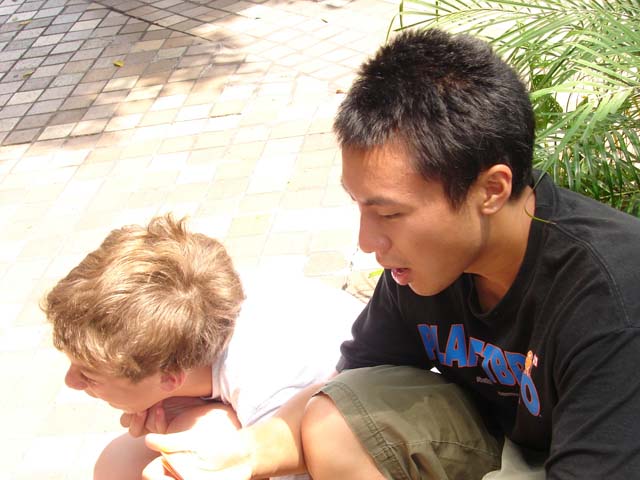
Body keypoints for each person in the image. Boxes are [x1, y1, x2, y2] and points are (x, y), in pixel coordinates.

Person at [145, 28, 640, 480]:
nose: (368, 241)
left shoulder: (611, 298)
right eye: (360, 206)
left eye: (389, 213)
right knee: (333, 421)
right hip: (498, 444)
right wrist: (245, 454)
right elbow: (353, 380)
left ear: (491, 190)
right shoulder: (429, 267)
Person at [43, 214, 362, 480]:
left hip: (346, 443)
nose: (71, 382)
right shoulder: (196, 297)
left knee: (178, 456)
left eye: (89, 375)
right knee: (120, 463)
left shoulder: (269, 391)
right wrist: (182, 405)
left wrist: (184, 419)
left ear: (170, 377)